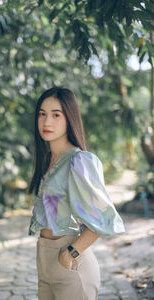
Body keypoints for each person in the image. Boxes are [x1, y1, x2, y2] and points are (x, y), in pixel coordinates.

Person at [27, 86, 125, 300]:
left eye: (56, 115)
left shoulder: (79, 161)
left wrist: (69, 253)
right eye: (42, 114)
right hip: (45, 261)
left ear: (69, 117)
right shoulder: (49, 161)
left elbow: (100, 220)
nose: (46, 122)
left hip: (69, 265)